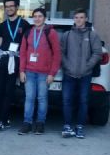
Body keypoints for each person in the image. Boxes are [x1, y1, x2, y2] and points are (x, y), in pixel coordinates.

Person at [61, 8, 103, 138]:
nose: (79, 20)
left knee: (83, 101)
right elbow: (61, 52)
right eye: (76, 17)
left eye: (81, 17)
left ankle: (80, 126)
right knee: (66, 100)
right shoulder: (67, 35)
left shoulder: (92, 35)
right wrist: (67, 65)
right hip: (69, 73)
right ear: (73, 19)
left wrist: (88, 66)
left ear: (86, 19)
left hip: (85, 74)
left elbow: (97, 53)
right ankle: (67, 126)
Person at [19, 8, 61, 135]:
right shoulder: (28, 33)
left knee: (42, 98)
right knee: (29, 98)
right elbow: (23, 53)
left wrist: (52, 73)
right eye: (35, 16)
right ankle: (27, 123)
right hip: (29, 71)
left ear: (44, 18)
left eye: (40, 16)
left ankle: (40, 123)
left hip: (44, 72)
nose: (37, 19)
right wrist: (21, 71)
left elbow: (57, 54)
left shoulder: (51, 32)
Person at [0, 0, 31, 131]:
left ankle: (1, 120)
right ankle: (4, 118)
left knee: (9, 91)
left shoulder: (25, 24)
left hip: (17, 60)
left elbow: (28, 45)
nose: (9, 9)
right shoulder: (2, 25)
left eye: (11, 6)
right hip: (3, 59)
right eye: (6, 7)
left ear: (17, 7)